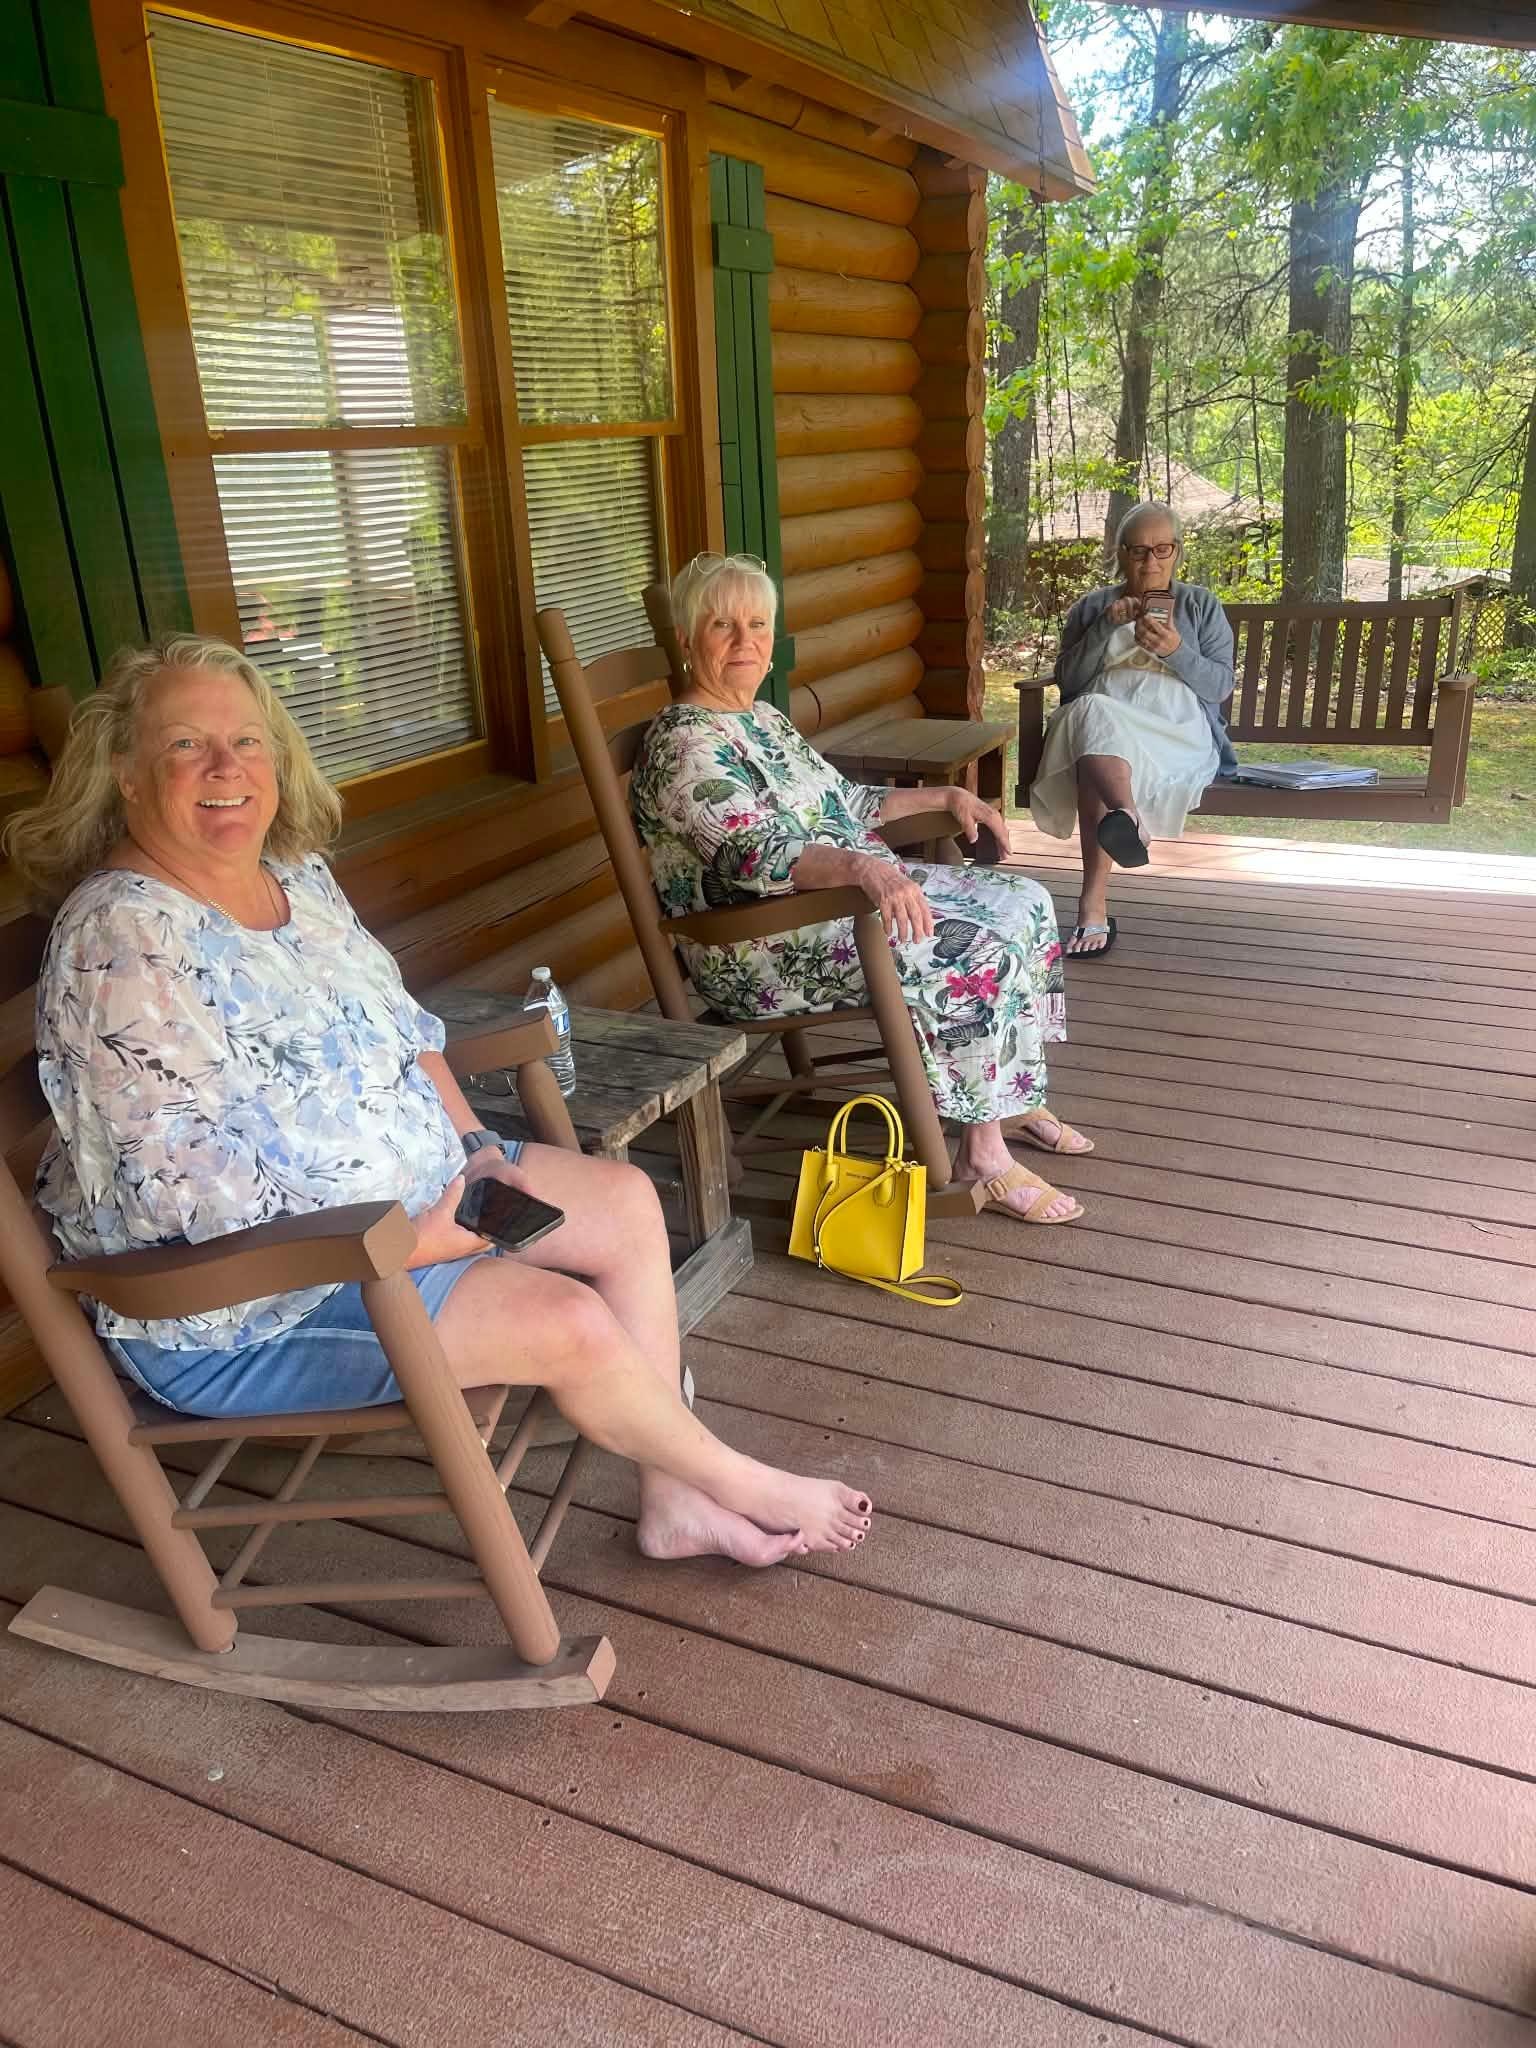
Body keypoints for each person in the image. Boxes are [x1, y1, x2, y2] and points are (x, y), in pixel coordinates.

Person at [2, 634, 872, 1567]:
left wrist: (477, 1152)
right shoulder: (120, 944)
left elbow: (406, 1034)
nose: (227, 767)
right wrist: (433, 1239)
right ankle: (739, 1482)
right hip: (254, 1304)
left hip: (421, 1205)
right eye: (186, 744)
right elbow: (194, 1205)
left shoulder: (295, 876)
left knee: (625, 1203)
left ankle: (674, 1502)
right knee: (566, 1321)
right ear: (125, 775)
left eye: (247, 741)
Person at [630, 552, 1094, 1226]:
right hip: (761, 940)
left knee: (1025, 901)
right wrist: (863, 870)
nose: (744, 641)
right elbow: (749, 851)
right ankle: (983, 1158)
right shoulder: (682, 746)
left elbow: (843, 803)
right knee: (974, 953)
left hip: (835, 907)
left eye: (757, 624)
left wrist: (944, 796)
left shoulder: (763, 719)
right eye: (722, 625)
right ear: (687, 639)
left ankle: (1007, 1096)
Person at [1029, 502, 1236, 957]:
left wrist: (1176, 650)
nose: (1150, 562)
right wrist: (1105, 627)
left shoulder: (1201, 605)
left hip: (1173, 731)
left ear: (1177, 551)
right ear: (1121, 553)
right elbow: (1069, 682)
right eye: (1139, 550)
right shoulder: (1093, 607)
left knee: (1092, 749)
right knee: (1093, 716)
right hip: (1104, 720)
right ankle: (1127, 817)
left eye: (1162, 549)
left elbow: (1220, 685)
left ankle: (1094, 905)